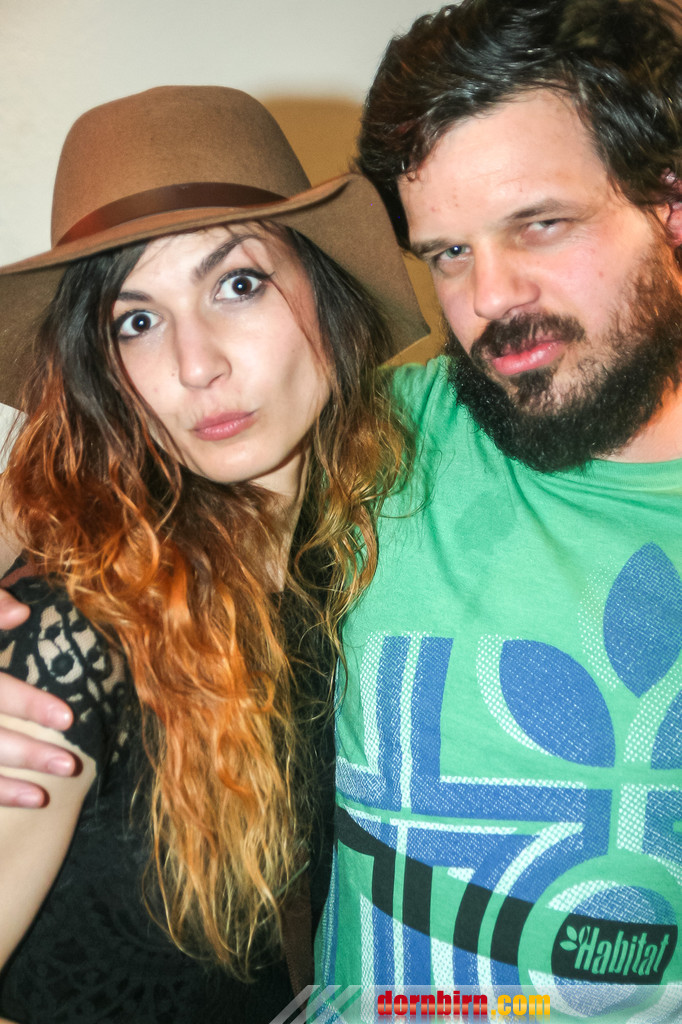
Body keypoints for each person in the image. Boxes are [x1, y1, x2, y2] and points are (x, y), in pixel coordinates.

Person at [2, 0, 682, 1018]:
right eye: (446, 252)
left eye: (539, 223)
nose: (492, 299)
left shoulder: (363, 469)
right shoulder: (70, 635)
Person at [0, 84, 425, 1024]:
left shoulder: (345, 545)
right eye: (136, 320)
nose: (197, 365)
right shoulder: (69, 639)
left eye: (237, 284)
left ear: (327, 286)